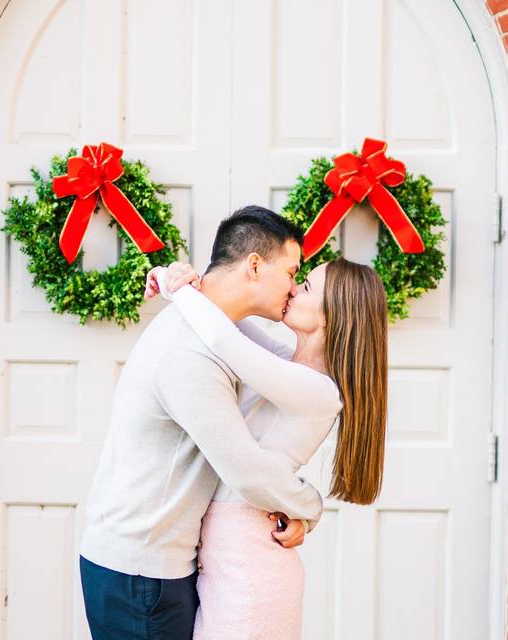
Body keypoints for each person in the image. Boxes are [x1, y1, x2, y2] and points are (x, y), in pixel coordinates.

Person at [79, 206, 324, 639]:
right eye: (291, 272)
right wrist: (309, 507)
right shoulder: (190, 352)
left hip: (161, 561)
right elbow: (244, 469)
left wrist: (177, 286)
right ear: (254, 266)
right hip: (141, 570)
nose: (292, 288)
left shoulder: (220, 334)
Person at [148, 254, 389, 639]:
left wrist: (170, 282)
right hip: (230, 556)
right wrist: (185, 280)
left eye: (306, 286)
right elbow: (226, 315)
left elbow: (222, 337)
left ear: (330, 316)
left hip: (251, 571)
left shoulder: (317, 391)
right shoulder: (287, 365)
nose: (293, 288)